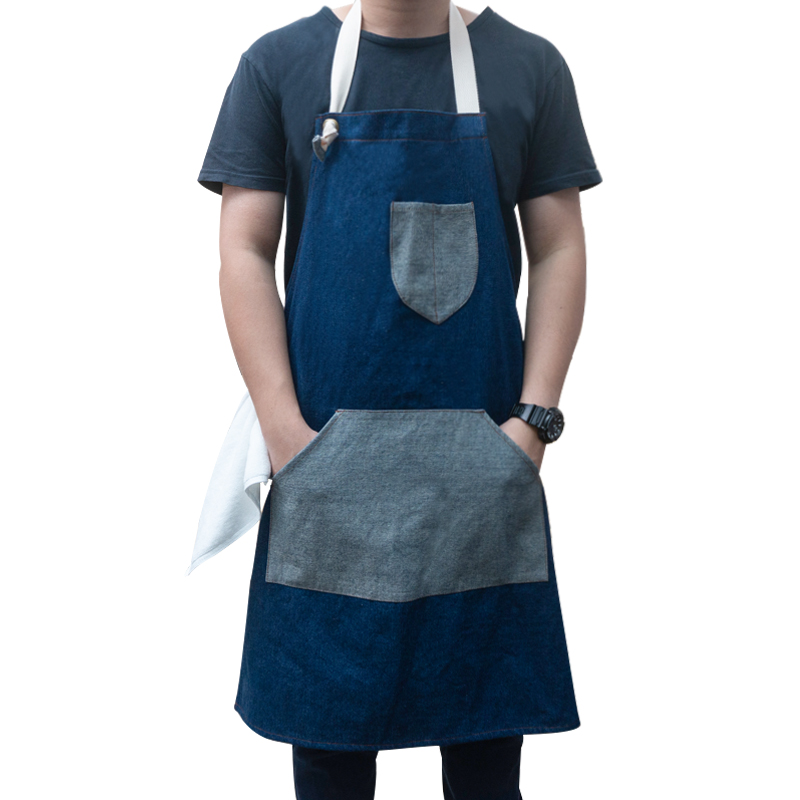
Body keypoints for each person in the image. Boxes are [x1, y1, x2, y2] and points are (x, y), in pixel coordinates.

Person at [192, 2, 602, 798]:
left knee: (485, 759)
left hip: (480, 478)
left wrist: (533, 422)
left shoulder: (530, 66)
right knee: (330, 759)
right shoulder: (277, 65)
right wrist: (283, 431)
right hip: (326, 469)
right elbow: (243, 248)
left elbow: (560, 246)